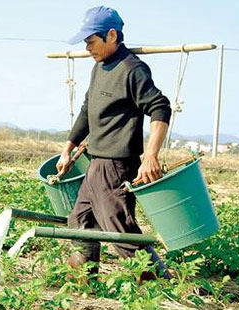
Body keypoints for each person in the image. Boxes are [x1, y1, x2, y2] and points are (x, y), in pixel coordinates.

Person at [56, 6, 171, 279]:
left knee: (120, 233)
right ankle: (86, 279)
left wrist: (152, 155)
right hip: (96, 163)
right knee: (80, 222)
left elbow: (160, 107)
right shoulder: (100, 67)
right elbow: (87, 110)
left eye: (91, 41)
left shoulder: (132, 69)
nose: (87, 48)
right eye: (85, 43)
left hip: (117, 166)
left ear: (111, 35)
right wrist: (66, 150)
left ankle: (160, 283)